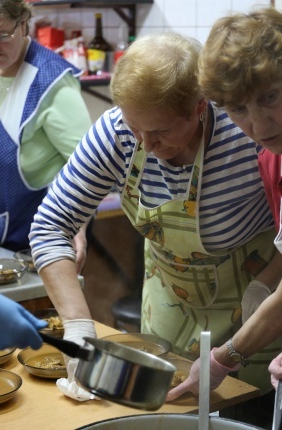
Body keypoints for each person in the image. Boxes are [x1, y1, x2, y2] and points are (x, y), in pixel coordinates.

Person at [29, 31, 282, 407]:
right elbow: (51, 224)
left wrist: (266, 283)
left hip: (255, 316)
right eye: (136, 128)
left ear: (199, 107)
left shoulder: (251, 135)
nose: (145, 145)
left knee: (244, 412)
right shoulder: (116, 133)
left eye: (161, 131)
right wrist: (79, 329)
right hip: (170, 311)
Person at [168, 6, 282, 427]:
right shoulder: (272, 159)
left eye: (270, 96)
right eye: (237, 109)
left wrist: (223, 358)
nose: (258, 123)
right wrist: (264, 283)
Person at [0, 0, 92, 273]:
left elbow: (89, 166)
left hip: (33, 250)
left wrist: (77, 226)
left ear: (24, 23)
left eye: (1, 35)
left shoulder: (50, 80)